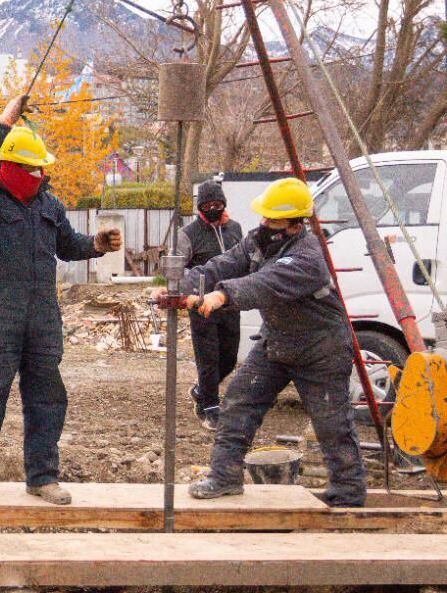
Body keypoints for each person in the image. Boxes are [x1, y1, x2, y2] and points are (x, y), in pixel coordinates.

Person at [0, 96, 122, 505]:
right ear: (8, 166)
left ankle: (42, 476)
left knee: (47, 397)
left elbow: (67, 244)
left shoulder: (48, 203)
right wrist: (3, 121)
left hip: (43, 314)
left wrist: (94, 245)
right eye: (31, 167)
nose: (39, 173)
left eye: (40, 167)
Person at [156, 177, 365, 507]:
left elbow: (264, 283)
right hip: (277, 342)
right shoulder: (258, 240)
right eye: (264, 217)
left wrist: (223, 295)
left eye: (273, 220)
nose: (264, 225)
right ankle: (225, 477)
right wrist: (178, 287)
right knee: (239, 401)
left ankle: (348, 496)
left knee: (331, 424)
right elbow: (222, 265)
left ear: (295, 225)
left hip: (320, 349)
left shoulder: (307, 257)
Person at [176, 179, 243, 431]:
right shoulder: (188, 234)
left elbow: (245, 258)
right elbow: (177, 270)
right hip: (201, 304)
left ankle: (200, 391)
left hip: (229, 302)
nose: (213, 209)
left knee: (229, 357)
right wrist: (186, 294)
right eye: (208, 205)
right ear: (200, 207)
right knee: (208, 359)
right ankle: (210, 408)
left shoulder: (235, 229)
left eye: (218, 204)